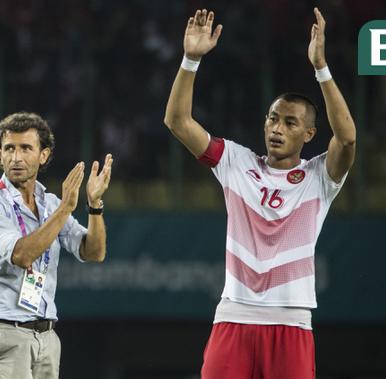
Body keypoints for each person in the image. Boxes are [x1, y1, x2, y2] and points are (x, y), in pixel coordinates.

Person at [163, 8, 356, 379]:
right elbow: (177, 121)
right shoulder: (235, 162)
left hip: (291, 323)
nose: (277, 128)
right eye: (272, 118)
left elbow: (347, 138)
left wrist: (321, 68)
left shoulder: (320, 177)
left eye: (290, 122)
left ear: (309, 134)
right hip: (234, 315)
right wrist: (190, 59)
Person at [0, 112, 113, 379]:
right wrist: (67, 207)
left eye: (26, 148)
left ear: (43, 155)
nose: (16, 157)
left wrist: (94, 205)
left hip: (45, 335)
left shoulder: (51, 203)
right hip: (3, 330)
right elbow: (21, 255)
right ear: (0, 155)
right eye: (8, 148)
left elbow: (93, 251)